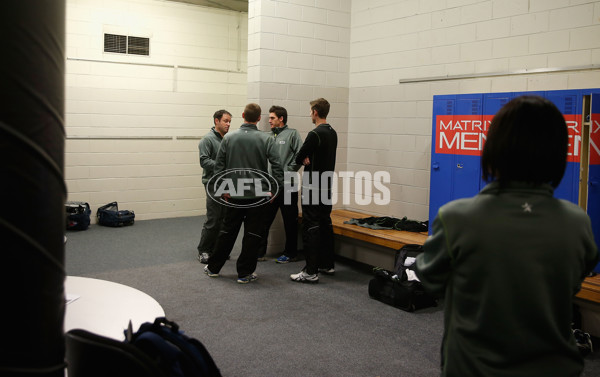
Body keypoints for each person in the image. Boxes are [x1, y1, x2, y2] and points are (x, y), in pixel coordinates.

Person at [415, 95, 599, 377]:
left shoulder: (457, 217)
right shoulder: (578, 222)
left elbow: (429, 277)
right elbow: (572, 283)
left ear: (495, 148)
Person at [204, 103, 284, 284]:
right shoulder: (266, 139)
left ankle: (213, 268)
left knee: (227, 232)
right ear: (258, 119)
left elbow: (219, 167)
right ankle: (244, 273)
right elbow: (277, 166)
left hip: (233, 193)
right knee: (252, 235)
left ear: (242, 115)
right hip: (258, 195)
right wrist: (274, 189)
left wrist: (222, 189)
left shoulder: (228, 138)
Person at [290, 98, 337, 284]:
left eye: (311, 111)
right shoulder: (333, 132)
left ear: (315, 112)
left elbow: (300, 156)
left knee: (311, 227)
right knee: (325, 224)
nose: (310, 114)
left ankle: (310, 271)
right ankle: (327, 264)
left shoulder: (314, 134)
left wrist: (304, 158)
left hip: (312, 187)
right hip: (326, 186)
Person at [256, 105, 302, 263]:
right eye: (269, 118)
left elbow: (300, 154)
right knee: (264, 219)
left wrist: (289, 169)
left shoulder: (292, 134)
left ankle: (291, 253)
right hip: (270, 186)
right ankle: (259, 252)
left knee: (290, 220)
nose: (269, 121)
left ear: (281, 119)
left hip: (289, 185)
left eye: (272, 118)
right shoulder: (267, 136)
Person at [196, 110, 231, 264]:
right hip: (212, 182)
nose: (228, 124)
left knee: (224, 218)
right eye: (225, 121)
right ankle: (203, 250)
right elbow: (204, 161)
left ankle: (216, 250)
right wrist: (221, 166)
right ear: (216, 121)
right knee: (213, 218)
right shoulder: (207, 140)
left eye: (230, 121)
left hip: (226, 182)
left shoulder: (228, 139)